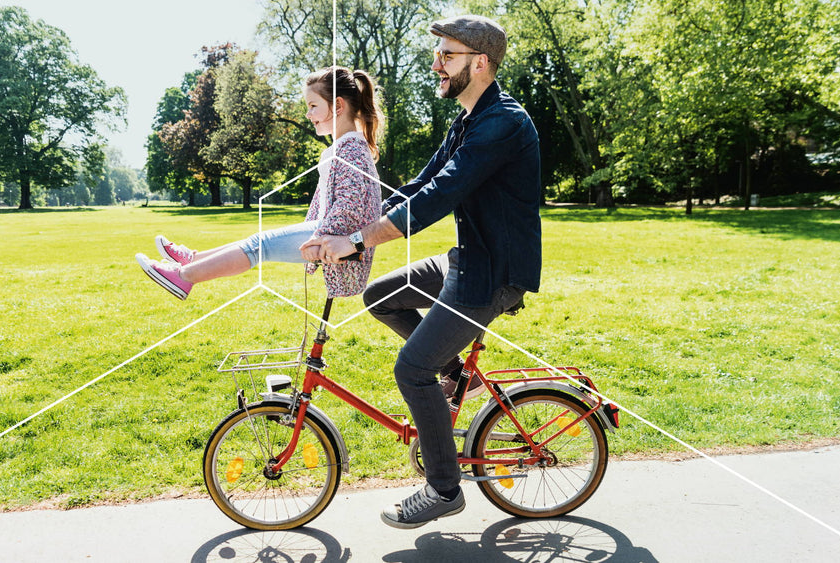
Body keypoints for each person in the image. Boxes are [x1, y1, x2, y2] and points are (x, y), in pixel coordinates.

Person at [301, 15, 542, 529]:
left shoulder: (502, 123)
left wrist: (360, 239)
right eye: (438, 54)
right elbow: (418, 184)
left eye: (447, 55)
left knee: (411, 368)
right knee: (380, 296)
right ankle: (455, 374)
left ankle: (444, 488)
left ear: (480, 64)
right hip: (466, 259)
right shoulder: (468, 120)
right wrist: (348, 215)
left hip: (492, 275)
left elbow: (439, 196)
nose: (436, 63)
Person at [136, 66, 384, 300]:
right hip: (328, 231)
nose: (308, 114)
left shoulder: (351, 149)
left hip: (335, 238)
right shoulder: (340, 148)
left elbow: (350, 208)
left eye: (313, 106)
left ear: (338, 105)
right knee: (258, 241)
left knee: (259, 245)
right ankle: (192, 260)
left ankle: (184, 277)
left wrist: (318, 239)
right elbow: (326, 205)